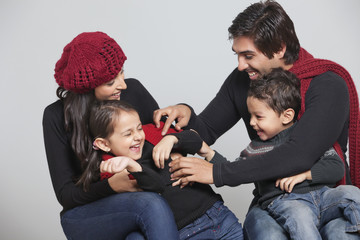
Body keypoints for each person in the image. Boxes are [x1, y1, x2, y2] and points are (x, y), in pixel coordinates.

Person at [153, 0, 360, 239]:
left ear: (280, 48)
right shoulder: (244, 80)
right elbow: (206, 130)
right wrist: (187, 113)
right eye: (238, 55)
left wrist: (217, 173)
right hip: (274, 199)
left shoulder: (327, 84)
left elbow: (299, 154)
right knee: (268, 234)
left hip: (326, 194)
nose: (240, 65)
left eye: (248, 55)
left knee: (340, 234)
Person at [42, 31, 180, 240]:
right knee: (150, 204)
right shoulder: (55, 116)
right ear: (87, 87)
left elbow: (161, 141)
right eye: (110, 82)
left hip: (140, 199)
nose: (123, 85)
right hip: (86, 213)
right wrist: (112, 186)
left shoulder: (132, 91)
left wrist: (175, 150)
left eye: (121, 72)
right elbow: (66, 195)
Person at [196, 68, 360, 239]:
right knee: (300, 216)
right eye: (250, 116)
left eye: (258, 117)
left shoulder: (307, 137)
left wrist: (304, 175)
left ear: (286, 116)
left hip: (323, 197)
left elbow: (336, 167)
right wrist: (209, 153)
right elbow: (234, 170)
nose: (251, 122)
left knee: (351, 193)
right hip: (288, 202)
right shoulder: (255, 148)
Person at [86, 99, 244, 240]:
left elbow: (195, 139)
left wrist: (172, 139)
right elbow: (155, 188)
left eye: (139, 128)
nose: (138, 136)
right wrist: (132, 166)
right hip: (186, 232)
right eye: (128, 134)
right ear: (104, 144)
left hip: (218, 215)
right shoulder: (112, 168)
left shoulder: (153, 134)